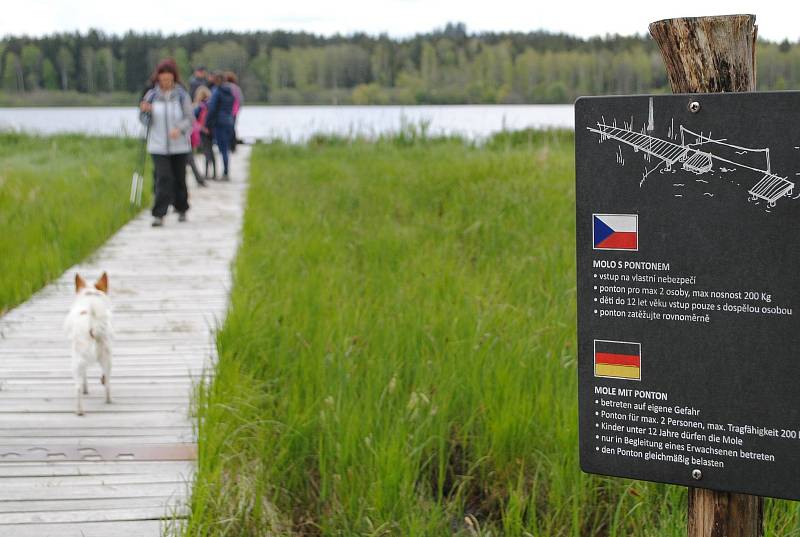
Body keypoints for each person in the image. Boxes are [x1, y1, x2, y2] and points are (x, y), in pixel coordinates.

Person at [139, 59, 195, 227]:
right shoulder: (151, 96)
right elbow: (144, 121)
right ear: (158, 79)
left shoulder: (182, 95)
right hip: (158, 145)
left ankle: (182, 208)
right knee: (163, 178)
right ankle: (159, 214)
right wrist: (145, 112)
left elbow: (190, 119)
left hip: (179, 145)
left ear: (174, 79)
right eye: (163, 80)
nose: (166, 83)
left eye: (169, 80)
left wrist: (179, 129)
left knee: (179, 178)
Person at [205, 71, 235, 181]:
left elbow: (212, 109)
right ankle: (226, 171)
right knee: (226, 149)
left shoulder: (216, 92)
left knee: (222, 149)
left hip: (219, 122)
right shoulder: (230, 91)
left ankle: (225, 173)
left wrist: (207, 123)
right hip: (229, 121)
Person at [192, 86, 217, 180]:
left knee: (206, 152)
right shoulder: (210, 104)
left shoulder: (200, 106)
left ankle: (206, 173)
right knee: (212, 151)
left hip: (203, 131)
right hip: (211, 130)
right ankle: (214, 173)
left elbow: (193, 118)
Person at [225, 71, 243, 153]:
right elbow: (240, 100)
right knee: (233, 128)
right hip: (235, 111)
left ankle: (228, 145)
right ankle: (233, 146)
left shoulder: (225, 87)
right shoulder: (237, 88)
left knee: (227, 129)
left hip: (227, 111)